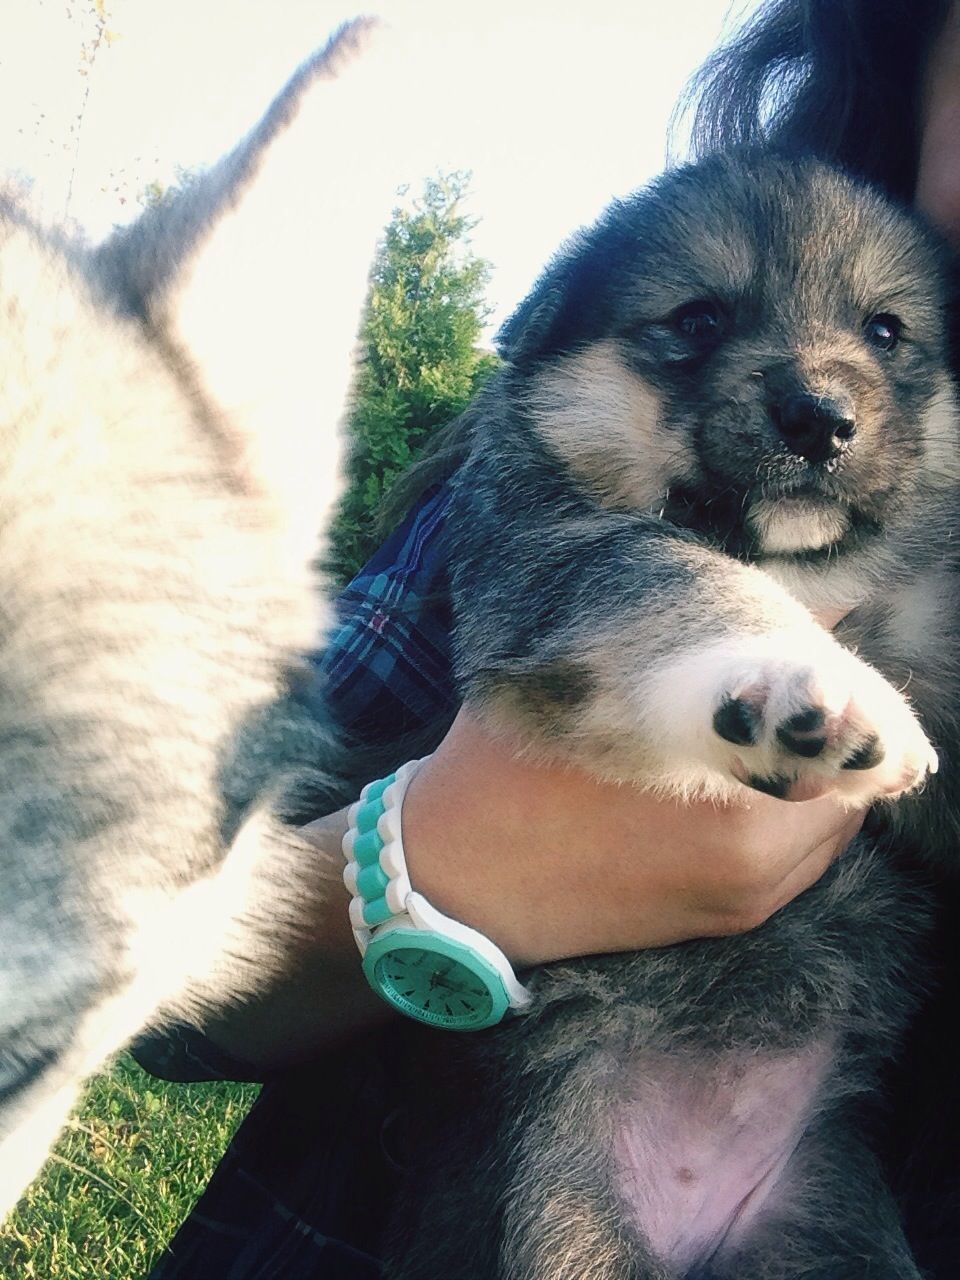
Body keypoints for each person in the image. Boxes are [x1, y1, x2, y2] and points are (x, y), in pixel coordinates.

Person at [140, 1, 960, 1274]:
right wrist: (418, 867)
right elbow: (152, 920)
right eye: (693, 327)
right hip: (525, 1149)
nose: (818, 384)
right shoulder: (533, 483)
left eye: (888, 337)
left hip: (817, 1138)